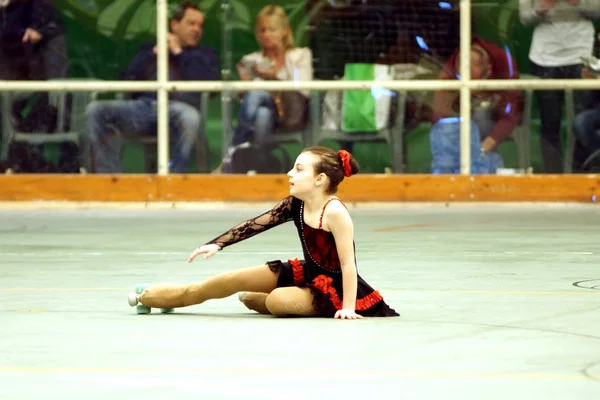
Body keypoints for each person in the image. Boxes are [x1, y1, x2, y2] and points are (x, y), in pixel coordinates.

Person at [128, 146, 399, 319]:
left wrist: (348, 308)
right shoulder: (297, 204)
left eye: (299, 169)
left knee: (277, 301)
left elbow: (348, 266)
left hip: (335, 290)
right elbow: (257, 223)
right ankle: (150, 296)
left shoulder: (335, 212)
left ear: (320, 179)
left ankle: (277, 299)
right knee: (228, 283)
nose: (290, 173)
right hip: (306, 272)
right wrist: (217, 244)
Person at [86, 1, 220, 173]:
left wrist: (178, 52)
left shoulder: (205, 54)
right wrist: (152, 54)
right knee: (96, 110)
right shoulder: (149, 49)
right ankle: (109, 178)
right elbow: (127, 80)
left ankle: (175, 176)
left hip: (179, 110)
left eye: (200, 26)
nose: (196, 29)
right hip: (144, 108)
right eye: (191, 23)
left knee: (190, 117)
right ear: (174, 25)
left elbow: (209, 85)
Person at [212, 5, 313, 174]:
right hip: (263, 115)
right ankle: (259, 167)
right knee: (262, 115)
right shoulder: (252, 60)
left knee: (257, 93)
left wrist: (273, 75)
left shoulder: (299, 55)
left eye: (272, 29)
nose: (266, 35)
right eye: (262, 30)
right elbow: (244, 102)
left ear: (285, 31)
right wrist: (244, 86)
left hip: (290, 114)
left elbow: (303, 89)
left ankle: (230, 156)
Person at [519, 0, 600, 173]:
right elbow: (524, 18)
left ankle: (581, 176)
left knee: (581, 121)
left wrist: (578, 3)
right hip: (544, 58)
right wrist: (540, 10)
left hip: (581, 54)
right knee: (549, 123)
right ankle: (553, 176)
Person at [430, 35, 523, 174]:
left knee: (482, 115)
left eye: (475, 82)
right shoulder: (449, 71)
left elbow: (512, 111)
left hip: (492, 113)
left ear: (489, 70)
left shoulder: (503, 62)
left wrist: (490, 142)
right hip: (460, 113)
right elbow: (440, 113)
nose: (471, 89)